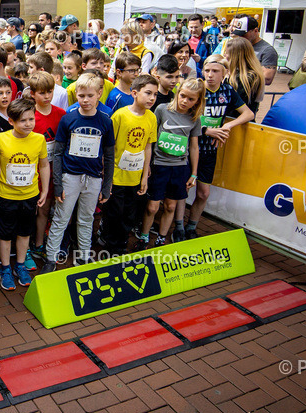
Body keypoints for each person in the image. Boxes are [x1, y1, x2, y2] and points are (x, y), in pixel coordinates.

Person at [42, 73, 115, 272]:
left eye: (90, 95)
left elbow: (109, 156)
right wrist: (58, 184)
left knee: (86, 218)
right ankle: (50, 257)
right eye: (81, 95)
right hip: (70, 177)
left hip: (93, 179)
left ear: (99, 94)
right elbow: (57, 153)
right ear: (76, 95)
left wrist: (106, 186)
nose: (85, 100)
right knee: (61, 218)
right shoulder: (68, 119)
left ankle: (83, 256)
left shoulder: (105, 122)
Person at [187, 55, 254, 239]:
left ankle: (191, 227)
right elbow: (182, 116)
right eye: (207, 70)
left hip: (209, 151)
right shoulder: (197, 88)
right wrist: (206, 130)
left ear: (225, 73)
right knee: (181, 192)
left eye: (215, 71)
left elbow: (248, 113)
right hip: (189, 148)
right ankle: (178, 227)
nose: (210, 75)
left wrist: (227, 126)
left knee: (203, 193)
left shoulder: (228, 91)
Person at [0, 99, 50, 290]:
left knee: (25, 232)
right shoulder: (0, 140)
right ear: (11, 121)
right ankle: (6, 268)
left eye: (31, 119)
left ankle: (20, 264)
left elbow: (43, 165)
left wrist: (45, 189)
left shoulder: (39, 139)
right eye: (23, 120)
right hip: (7, 196)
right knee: (6, 234)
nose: (28, 124)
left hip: (30, 195)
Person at [140, 78, 203, 248]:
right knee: (152, 207)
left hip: (180, 168)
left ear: (197, 101)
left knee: (170, 206)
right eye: (183, 96)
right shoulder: (161, 110)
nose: (185, 101)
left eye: (191, 99)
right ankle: (143, 237)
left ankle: (161, 238)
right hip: (159, 166)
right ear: (178, 92)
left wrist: (194, 173)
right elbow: (150, 141)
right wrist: (148, 166)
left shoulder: (195, 118)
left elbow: (194, 147)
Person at [103, 75, 158, 256]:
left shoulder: (151, 117)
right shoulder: (120, 115)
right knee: (115, 212)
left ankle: (122, 242)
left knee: (129, 213)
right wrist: (107, 175)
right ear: (134, 93)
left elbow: (148, 146)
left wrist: (144, 177)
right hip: (117, 175)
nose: (152, 98)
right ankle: (112, 245)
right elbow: (109, 147)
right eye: (148, 93)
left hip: (135, 176)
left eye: (155, 95)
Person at [25, 72, 64, 265]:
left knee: (44, 209)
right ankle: (24, 247)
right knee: (28, 210)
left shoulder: (60, 114)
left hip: (51, 169)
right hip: (31, 171)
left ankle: (39, 244)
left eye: (50, 91)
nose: (47, 96)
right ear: (33, 94)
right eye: (42, 93)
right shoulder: (29, 116)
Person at [228, 15, 278, 85]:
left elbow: (267, 79)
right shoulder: (239, 45)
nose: (240, 37)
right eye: (239, 34)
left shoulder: (267, 50)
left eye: (244, 34)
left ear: (256, 31)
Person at [223, 36, 265, 119]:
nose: (224, 55)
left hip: (237, 122)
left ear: (235, 56)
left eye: (227, 53)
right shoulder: (253, 75)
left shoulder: (247, 78)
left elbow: (232, 104)